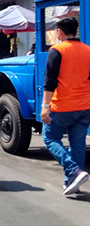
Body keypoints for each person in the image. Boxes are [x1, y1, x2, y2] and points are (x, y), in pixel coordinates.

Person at [41, 18, 90, 195]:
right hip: (84, 107)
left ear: (60, 32)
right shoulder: (88, 51)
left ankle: (74, 171)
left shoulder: (57, 50)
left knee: (49, 138)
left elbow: (50, 81)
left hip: (62, 106)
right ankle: (72, 181)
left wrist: (45, 105)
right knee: (77, 144)